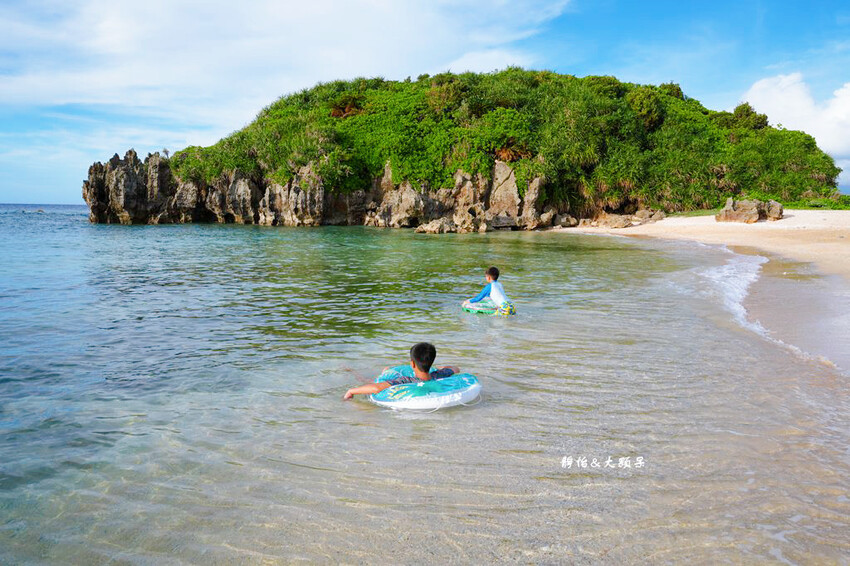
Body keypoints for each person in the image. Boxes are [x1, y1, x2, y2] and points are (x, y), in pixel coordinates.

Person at [343, 342, 460, 400]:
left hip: (407, 386)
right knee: (387, 370)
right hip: (431, 375)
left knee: (369, 379)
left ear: (412, 364)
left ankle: (351, 371)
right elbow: (455, 368)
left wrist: (351, 391)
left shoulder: (405, 380)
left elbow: (376, 388)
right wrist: (438, 369)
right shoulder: (438, 375)